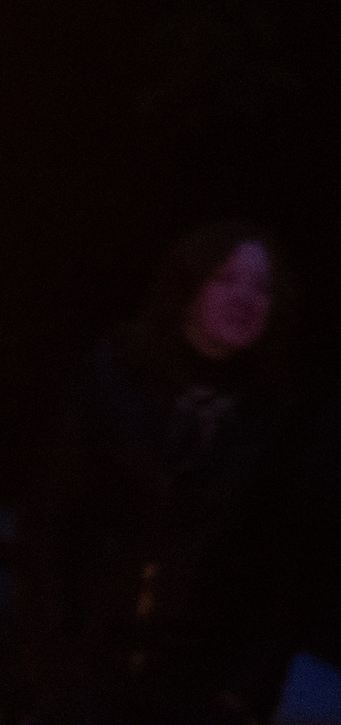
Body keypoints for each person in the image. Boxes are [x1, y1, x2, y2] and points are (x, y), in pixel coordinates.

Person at [17, 220, 308, 725]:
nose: (246, 299)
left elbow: (284, 565)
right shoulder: (112, 381)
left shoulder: (274, 417)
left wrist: (241, 693)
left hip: (199, 689)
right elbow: (49, 525)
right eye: (226, 278)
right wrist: (53, 668)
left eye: (262, 288)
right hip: (88, 674)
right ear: (188, 284)